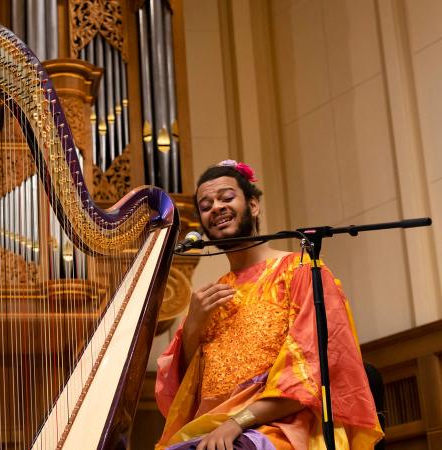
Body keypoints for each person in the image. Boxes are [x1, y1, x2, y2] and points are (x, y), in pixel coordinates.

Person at [155, 160, 383, 450]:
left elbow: (310, 371)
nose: (216, 207)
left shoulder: (302, 271)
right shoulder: (210, 297)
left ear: (253, 206)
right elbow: (181, 394)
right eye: (205, 205)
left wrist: (237, 422)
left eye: (226, 198)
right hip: (215, 429)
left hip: (288, 427)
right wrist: (192, 329)